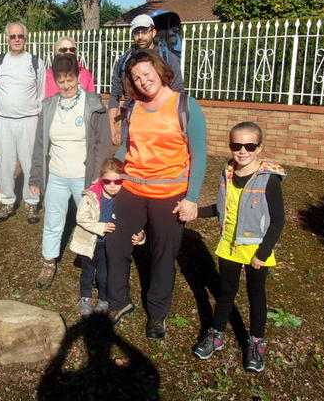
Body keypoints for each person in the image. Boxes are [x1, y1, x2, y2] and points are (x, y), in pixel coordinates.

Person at [105, 49, 207, 340]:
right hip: (132, 188)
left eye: (147, 74)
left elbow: (199, 155)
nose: (142, 81)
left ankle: (157, 314)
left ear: (160, 72)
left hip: (169, 195)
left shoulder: (185, 106)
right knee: (115, 242)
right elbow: (128, 147)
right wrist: (111, 171)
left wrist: (192, 197)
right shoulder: (134, 107)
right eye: (136, 78)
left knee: (162, 254)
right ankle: (119, 302)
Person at [192, 122, 285, 373]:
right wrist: (194, 212)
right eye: (236, 145)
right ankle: (216, 334)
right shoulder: (228, 172)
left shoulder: (269, 179)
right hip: (229, 245)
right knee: (226, 291)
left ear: (259, 148)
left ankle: (255, 343)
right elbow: (221, 208)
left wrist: (262, 253)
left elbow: (278, 221)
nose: (242, 151)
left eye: (249, 145)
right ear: (230, 146)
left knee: (256, 294)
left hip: (256, 248)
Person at [29, 54, 111, 289]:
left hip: (84, 176)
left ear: (78, 77)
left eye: (70, 79)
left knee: (88, 220)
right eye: (61, 80)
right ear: (55, 80)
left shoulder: (93, 103)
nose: (66, 85)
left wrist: (99, 173)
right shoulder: (49, 105)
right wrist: (36, 176)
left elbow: (102, 143)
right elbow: (40, 144)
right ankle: (48, 262)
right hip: (56, 175)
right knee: (53, 221)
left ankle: (93, 263)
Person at [69, 158, 147, 317]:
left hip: (108, 246)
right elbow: (81, 218)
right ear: (101, 179)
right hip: (89, 243)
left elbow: (134, 221)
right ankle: (86, 299)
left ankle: (104, 299)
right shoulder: (91, 196)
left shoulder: (124, 200)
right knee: (87, 273)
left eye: (117, 182)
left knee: (104, 274)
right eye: (108, 181)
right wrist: (101, 227)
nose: (112, 185)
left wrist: (142, 235)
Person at [0, 22, 46, 224]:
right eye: (12, 36)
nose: (16, 39)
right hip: (4, 122)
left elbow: (41, 93)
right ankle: (7, 201)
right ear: (7, 38)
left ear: (25, 38)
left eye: (20, 36)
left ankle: (31, 201)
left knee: (30, 164)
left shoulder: (36, 62)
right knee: (5, 164)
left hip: (29, 122)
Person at [108, 14, 184, 160]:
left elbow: (178, 91)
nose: (140, 37)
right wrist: (112, 126)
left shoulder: (167, 58)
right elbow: (115, 93)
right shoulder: (125, 60)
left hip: (161, 121)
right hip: (131, 120)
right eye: (137, 32)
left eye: (144, 31)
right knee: (130, 160)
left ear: (153, 32)